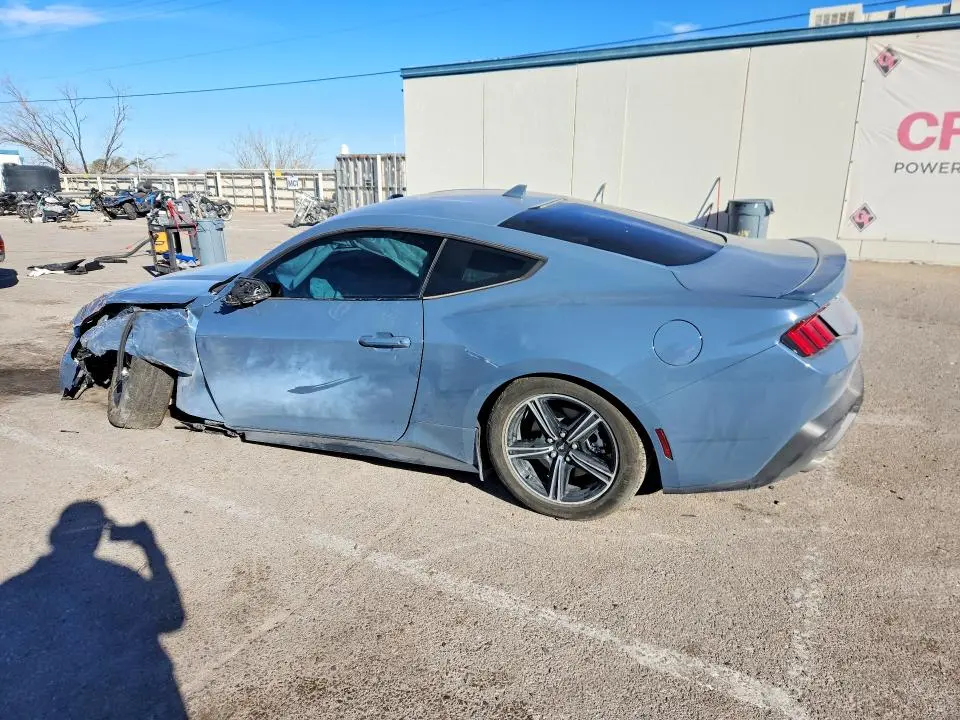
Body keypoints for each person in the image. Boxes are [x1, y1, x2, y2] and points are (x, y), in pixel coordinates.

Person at [0, 501, 187, 719]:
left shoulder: (12, 592)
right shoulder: (119, 579)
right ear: (97, 536)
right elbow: (172, 618)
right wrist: (151, 548)